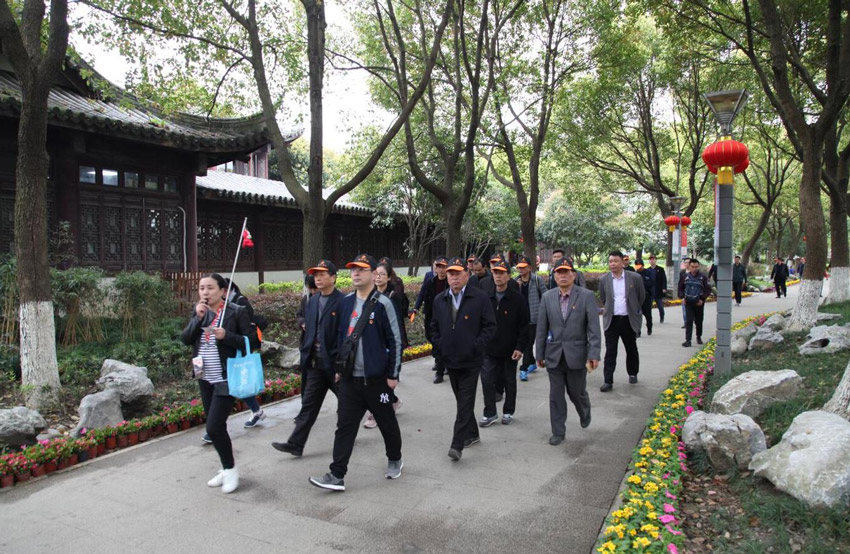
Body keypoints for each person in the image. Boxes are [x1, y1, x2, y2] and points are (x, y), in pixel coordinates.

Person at [309, 254, 404, 491]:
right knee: (345, 426)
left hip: (378, 380)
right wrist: (339, 369)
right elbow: (341, 338)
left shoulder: (383, 304)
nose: (356, 273)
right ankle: (336, 474)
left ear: (373, 274)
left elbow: (396, 341)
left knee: (387, 422)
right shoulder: (345, 303)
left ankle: (395, 458)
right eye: (353, 270)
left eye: (362, 269)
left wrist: (393, 375)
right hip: (350, 380)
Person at [181, 273, 259, 494]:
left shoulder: (236, 311)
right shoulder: (200, 311)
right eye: (201, 288)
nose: (205, 292)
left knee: (214, 427)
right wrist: (197, 319)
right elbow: (186, 339)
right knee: (215, 426)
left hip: (226, 377)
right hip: (204, 376)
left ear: (223, 291)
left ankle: (231, 469)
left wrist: (227, 336)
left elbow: (253, 341)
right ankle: (225, 468)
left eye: (210, 288)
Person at [271, 260, 344, 457]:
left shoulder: (343, 301)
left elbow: (345, 336)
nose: (317, 278)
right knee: (308, 406)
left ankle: (373, 417)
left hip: (335, 365)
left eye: (322, 274)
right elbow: (309, 330)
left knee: (349, 404)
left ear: (333, 277)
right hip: (315, 363)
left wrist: (341, 364)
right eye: (315, 275)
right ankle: (296, 444)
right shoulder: (312, 301)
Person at [430, 256, 496, 461]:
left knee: (465, 401)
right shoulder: (440, 299)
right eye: (451, 273)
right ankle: (473, 433)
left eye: (458, 273)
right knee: (462, 400)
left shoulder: (480, 298)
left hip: (471, 361)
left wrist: (476, 345)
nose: (454, 277)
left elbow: (490, 326)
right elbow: (433, 326)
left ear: (467, 274)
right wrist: (440, 345)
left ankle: (457, 444)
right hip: (450, 359)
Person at [536, 257, 601, 445]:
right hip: (554, 355)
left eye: (566, 272)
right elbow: (542, 328)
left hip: (577, 355)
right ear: (554, 276)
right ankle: (558, 431)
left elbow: (593, 328)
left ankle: (584, 409)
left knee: (576, 392)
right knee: (556, 396)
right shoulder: (547, 297)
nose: (563, 275)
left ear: (574, 274)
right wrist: (539, 353)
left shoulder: (586, 296)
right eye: (559, 272)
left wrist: (594, 354)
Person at [480, 259, 528, 427]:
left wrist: (520, 347)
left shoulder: (517, 299)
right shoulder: (486, 298)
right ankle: (490, 413)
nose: (498, 276)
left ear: (508, 276)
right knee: (486, 380)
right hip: (488, 349)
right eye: (495, 272)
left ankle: (508, 411)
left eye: (501, 273)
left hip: (510, 349)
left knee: (509, 382)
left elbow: (524, 326)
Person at [216, 279, 268, 433]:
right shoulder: (216, 308)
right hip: (223, 354)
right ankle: (256, 411)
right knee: (237, 385)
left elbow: (248, 331)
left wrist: (227, 335)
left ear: (226, 289)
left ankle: (215, 427)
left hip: (237, 352)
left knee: (237, 385)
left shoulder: (240, 303)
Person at [362, 261, 406, 429]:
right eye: (376, 274)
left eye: (382, 274)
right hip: (372, 346)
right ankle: (393, 401)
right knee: (376, 384)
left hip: (387, 346)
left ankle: (376, 413)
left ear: (388, 278)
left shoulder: (392, 297)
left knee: (382, 383)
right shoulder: (368, 295)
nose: (378, 277)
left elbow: (395, 326)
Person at [598, 250, 645, 391]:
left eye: (615, 261)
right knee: (610, 351)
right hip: (611, 320)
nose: (612, 264)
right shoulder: (604, 279)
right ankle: (608, 381)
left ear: (622, 262)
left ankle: (632, 373)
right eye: (610, 261)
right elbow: (604, 298)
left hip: (628, 319)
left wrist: (633, 309)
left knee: (631, 348)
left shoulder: (634, 278)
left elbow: (641, 297)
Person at [514, 254, 547, 381]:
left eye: (523, 267)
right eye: (519, 267)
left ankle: (523, 369)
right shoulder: (515, 281)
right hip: (520, 319)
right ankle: (532, 362)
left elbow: (545, 297)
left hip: (534, 318)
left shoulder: (537, 280)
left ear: (529, 268)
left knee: (528, 344)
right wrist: (515, 287)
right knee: (525, 342)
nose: (521, 269)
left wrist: (543, 314)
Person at [422, 256, 450, 383]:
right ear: (435, 268)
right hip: (433, 317)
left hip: (447, 318)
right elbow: (425, 297)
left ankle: (440, 372)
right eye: (439, 267)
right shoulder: (431, 282)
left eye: (444, 267)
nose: (441, 270)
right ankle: (441, 365)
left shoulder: (450, 283)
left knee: (443, 344)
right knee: (435, 341)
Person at [678, 258, 711, 347]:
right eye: (692, 267)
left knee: (699, 321)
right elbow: (680, 288)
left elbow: (708, 290)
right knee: (689, 321)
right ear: (689, 267)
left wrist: (702, 299)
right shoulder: (685, 277)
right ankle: (688, 340)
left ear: (698, 266)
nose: (694, 269)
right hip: (688, 302)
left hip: (698, 302)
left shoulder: (703, 278)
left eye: (696, 267)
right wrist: (682, 298)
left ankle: (698, 336)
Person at [635, 260, 655, 336]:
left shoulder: (649, 273)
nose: (639, 268)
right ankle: (638, 331)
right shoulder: (635, 274)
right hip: (637, 298)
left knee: (648, 315)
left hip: (647, 297)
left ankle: (649, 328)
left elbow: (651, 283)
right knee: (637, 315)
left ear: (643, 266)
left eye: (640, 266)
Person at [647, 255, 667, 323]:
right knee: (648, 307)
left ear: (656, 260)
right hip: (650, 291)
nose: (652, 261)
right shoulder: (647, 270)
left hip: (658, 290)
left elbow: (664, 279)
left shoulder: (660, 269)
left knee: (660, 306)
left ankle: (662, 317)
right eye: (650, 259)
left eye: (653, 259)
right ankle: (649, 319)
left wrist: (664, 288)